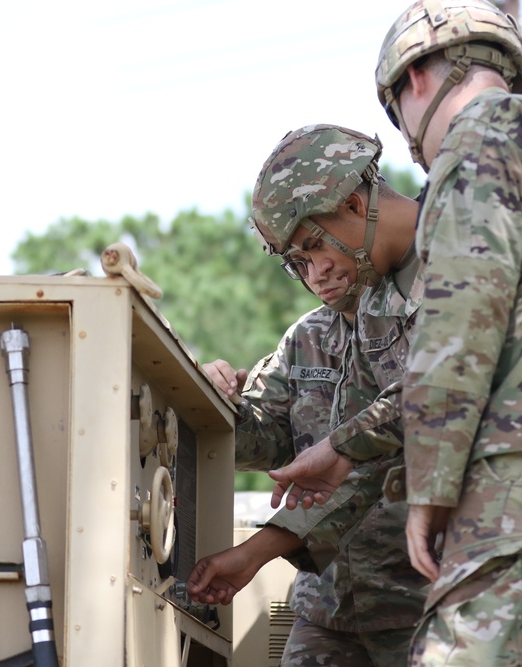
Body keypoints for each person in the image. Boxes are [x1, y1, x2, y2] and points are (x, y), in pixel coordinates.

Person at [272, 2, 522, 665]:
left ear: (418, 78)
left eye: (399, 118)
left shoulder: (478, 132)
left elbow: (460, 316)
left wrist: (430, 485)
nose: (411, 144)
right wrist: (349, 446)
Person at [189, 124, 428, 666]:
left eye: (316, 247)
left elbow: (388, 447)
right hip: (330, 610)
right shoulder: (309, 337)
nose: (314, 272)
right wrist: (210, 399)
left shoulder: (443, 288)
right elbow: (262, 441)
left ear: (352, 203)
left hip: (423, 601)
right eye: (296, 261)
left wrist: (255, 552)